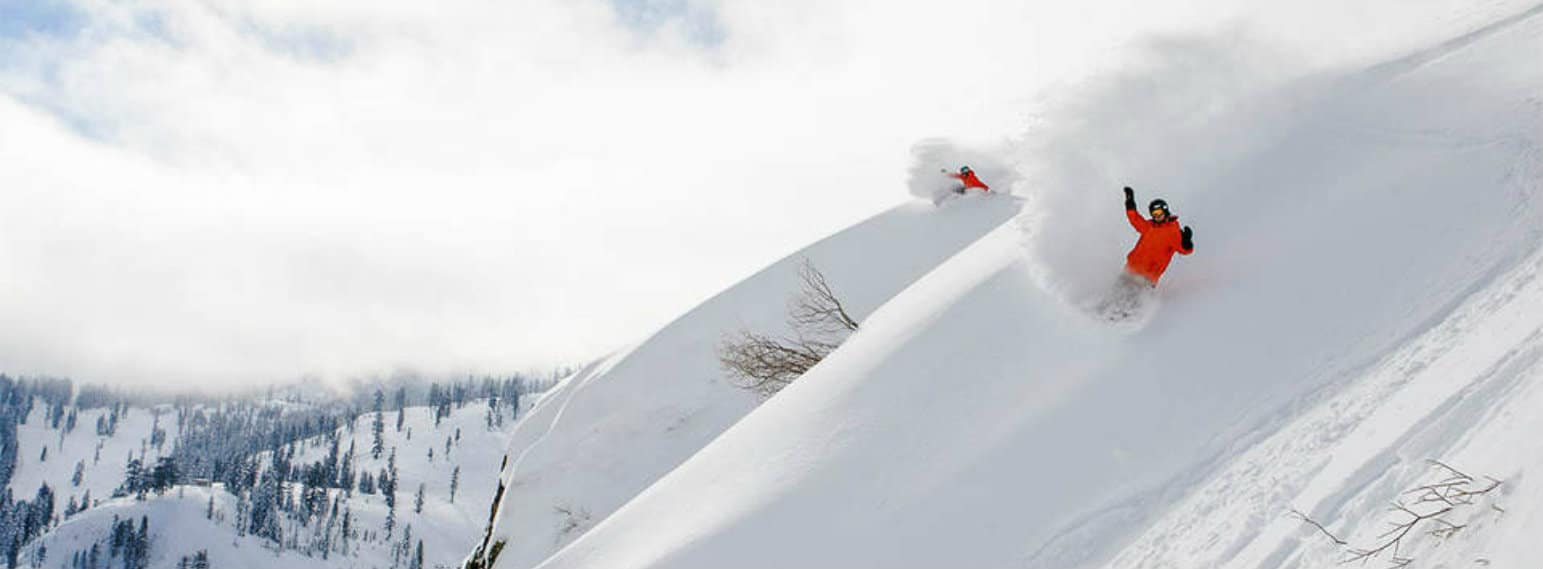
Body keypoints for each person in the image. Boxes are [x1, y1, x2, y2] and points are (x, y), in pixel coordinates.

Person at [1122, 186, 1193, 286]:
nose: (1157, 216)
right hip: (1130, 270)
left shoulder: (1172, 231)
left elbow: (1184, 250)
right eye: (1154, 214)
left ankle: (1143, 300)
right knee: (1112, 297)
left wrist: (1187, 241)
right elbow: (1135, 220)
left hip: (1146, 278)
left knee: (1129, 301)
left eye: (1159, 213)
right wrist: (1130, 203)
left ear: (1165, 211)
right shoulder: (1148, 226)